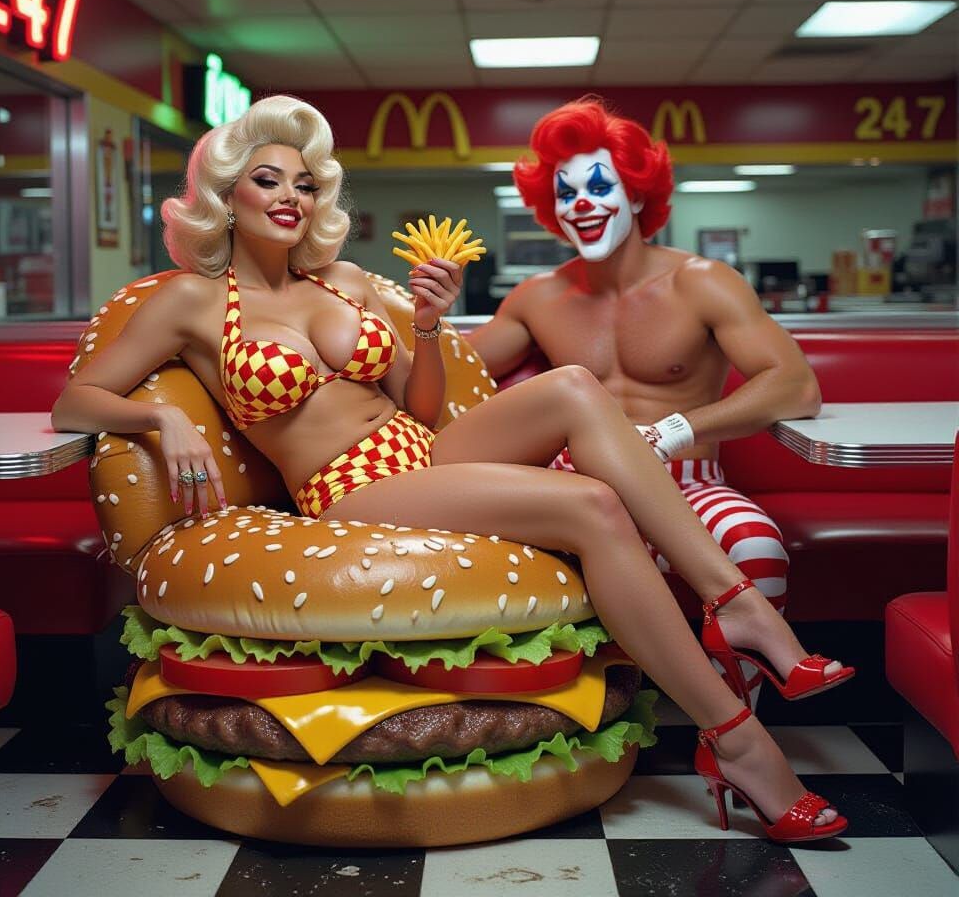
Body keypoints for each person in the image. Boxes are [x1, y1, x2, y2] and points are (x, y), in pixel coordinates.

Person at [52, 94, 848, 842]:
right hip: (351, 485)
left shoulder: (344, 281)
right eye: (268, 180)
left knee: (574, 386)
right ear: (227, 193)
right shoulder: (189, 301)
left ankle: (735, 603)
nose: (290, 196)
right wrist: (158, 418)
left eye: (305, 183)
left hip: (423, 448)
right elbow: (75, 402)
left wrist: (428, 326)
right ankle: (736, 738)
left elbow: (423, 405)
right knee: (592, 505)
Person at [470, 98, 835, 706]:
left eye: (598, 186)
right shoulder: (537, 297)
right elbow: (458, 374)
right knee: (534, 567)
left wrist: (672, 431)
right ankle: (600, 716)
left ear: (637, 194)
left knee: (755, 545)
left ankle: (737, 724)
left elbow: (796, 385)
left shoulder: (702, 281)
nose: (581, 203)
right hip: (579, 492)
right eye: (565, 193)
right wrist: (420, 317)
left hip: (690, 480)